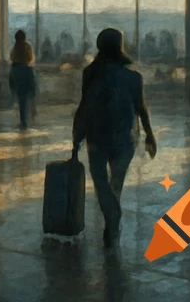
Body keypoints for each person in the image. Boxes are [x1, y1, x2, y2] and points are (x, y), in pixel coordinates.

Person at [72, 28, 156, 247]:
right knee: (116, 182)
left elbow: (85, 107)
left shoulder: (90, 73)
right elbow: (141, 108)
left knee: (101, 182)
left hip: (97, 135)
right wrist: (149, 135)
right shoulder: (133, 77)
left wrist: (76, 138)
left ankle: (112, 217)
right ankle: (112, 222)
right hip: (125, 136)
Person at [9, 29, 36, 130]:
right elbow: (30, 58)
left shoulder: (15, 47)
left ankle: (23, 121)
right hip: (26, 70)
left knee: (21, 99)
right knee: (29, 96)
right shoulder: (27, 46)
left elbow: (12, 58)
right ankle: (27, 119)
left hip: (16, 71)